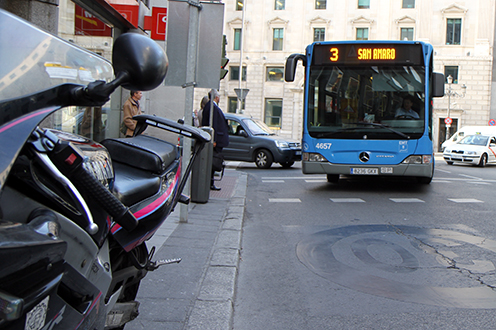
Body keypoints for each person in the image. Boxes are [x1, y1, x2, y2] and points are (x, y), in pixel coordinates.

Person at [201, 89, 229, 191]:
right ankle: (210, 183)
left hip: (216, 139)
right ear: (216, 97)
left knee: (213, 161)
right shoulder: (211, 107)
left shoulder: (211, 106)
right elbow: (214, 125)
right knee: (212, 161)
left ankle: (210, 183)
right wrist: (214, 140)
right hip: (215, 140)